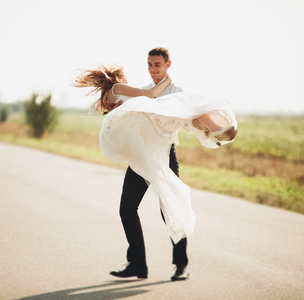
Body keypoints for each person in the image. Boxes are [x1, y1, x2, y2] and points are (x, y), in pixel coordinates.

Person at [71, 48, 237, 281]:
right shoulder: (146, 90)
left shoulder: (176, 91)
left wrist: (215, 130)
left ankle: (181, 266)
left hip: (165, 156)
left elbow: (195, 113)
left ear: (168, 64)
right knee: (127, 209)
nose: (152, 68)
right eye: (149, 64)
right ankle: (138, 264)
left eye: (157, 64)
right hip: (142, 157)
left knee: (170, 208)